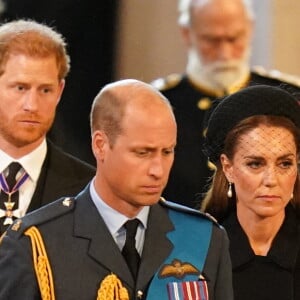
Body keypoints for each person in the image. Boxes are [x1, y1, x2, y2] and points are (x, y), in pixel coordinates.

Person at [0, 79, 233, 300]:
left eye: (167, 152)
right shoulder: (36, 243)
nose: (158, 170)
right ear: (100, 145)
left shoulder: (204, 238)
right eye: (143, 153)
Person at [152, 0, 300, 208]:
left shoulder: (287, 96)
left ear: (250, 29)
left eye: (234, 38)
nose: (224, 52)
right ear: (187, 34)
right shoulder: (158, 103)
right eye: (211, 40)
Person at [201, 85, 300, 300]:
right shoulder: (198, 252)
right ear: (228, 168)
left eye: (284, 163)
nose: (271, 180)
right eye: (255, 164)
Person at [0, 19, 95, 235]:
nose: (32, 105)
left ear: (60, 91)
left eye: (45, 91)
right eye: (20, 88)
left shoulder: (90, 191)